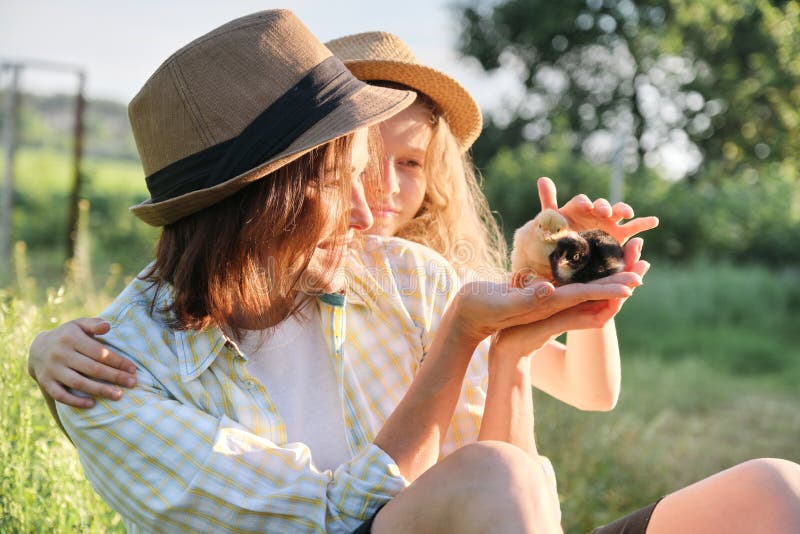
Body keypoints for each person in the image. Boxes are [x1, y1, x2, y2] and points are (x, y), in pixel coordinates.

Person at [28, 23, 800, 533]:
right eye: (347, 177)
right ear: (268, 197)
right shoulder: (115, 376)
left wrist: (507, 352)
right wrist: (459, 339)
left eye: (399, 168)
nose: (374, 208)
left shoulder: (404, 275)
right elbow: (328, 516)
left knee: (776, 492)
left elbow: (519, 494)